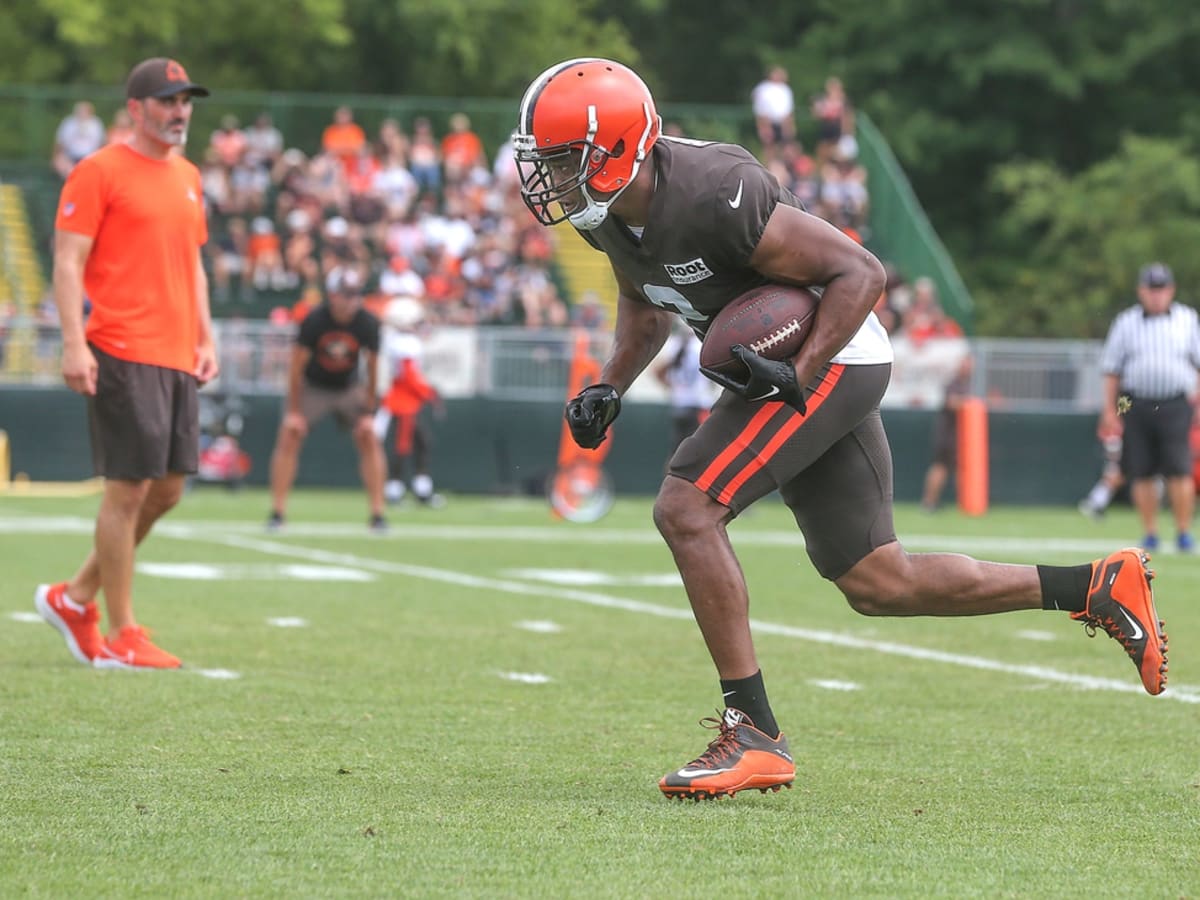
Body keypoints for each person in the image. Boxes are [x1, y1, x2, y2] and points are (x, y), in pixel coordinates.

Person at [512, 58, 1170, 801]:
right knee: (877, 581)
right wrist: (609, 383)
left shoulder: (714, 192)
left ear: (623, 149)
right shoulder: (609, 215)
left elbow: (861, 273)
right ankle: (1094, 587)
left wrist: (802, 368)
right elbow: (644, 302)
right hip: (798, 366)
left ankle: (753, 733)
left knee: (686, 507)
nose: (553, 178)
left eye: (568, 160)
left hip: (834, 350)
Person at [37, 57, 215, 670]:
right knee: (128, 489)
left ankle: (75, 597)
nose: (180, 112)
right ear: (136, 108)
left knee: (165, 492)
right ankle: (123, 633)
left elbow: (192, 265)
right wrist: (72, 342)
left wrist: (206, 337)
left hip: (175, 352)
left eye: (186, 101)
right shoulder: (98, 170)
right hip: (119, 344)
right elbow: (66, 262)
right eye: (168, 101)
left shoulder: (189, 176)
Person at [267, 266, 387, 533]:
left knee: (369, 436)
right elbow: (296, 367)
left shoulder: (367, 322)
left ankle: (378, 514)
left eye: (355, 295)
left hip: (349, 387)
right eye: (346, 295)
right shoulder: (315, 320)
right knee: (290, 433)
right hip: (314, 386)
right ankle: (277, 511)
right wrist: (294, 410)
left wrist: (369, 411)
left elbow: (373, 368)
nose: (351, 301)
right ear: (332, 295)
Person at [1097, 262, 1200, 552]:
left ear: (1171, 291)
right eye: (1151, 289)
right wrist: (1109, 410)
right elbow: (1112, 369)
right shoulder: (1126, 321)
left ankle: (1183, 532)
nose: (1156, 295)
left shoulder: (1187, 319)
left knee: (1179, 469)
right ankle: (1151, 532)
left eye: (1161, 289)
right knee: (1141, 471)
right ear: (1141, 291)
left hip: (1176, 402)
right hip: (1135, 402)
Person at [373, 297, 445, 507]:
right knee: (404, 446)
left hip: (403, 400)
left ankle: (413, 488)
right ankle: (397, 490)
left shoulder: (397, 340)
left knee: (417, 444)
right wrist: (429, 393)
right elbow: (409, 376)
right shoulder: (404, 343)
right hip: (403, 402)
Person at [920, 352, 973, 512]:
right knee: (940, 467)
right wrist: (970, 404)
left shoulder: (965, 384)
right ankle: (929, 502)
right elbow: (951, 402)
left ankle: (964, 502)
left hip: (956, 437)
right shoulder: (954, 384)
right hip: (947, 436)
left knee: (954, 469)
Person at [654, 322, 717, 456]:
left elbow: (658, 371)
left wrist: (674, 387)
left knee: (676, 453)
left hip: (680, 405)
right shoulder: (702, 345)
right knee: (700, 453)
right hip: (699, 405)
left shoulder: (675, 344)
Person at [750, 66, 795, 165]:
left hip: (783, 123)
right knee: (769, 148)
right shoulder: (763, 89)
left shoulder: (786, 89)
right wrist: (763, 127)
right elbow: (760, 110)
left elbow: (789, 110)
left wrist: (790, 126)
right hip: (768, 122)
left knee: (786, 148)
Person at [52, 101, 106, 178]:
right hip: (70, 156)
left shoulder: (96, 124)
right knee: (61, 161)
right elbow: (60, 143)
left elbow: (101, 143)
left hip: (90, 157)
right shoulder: (68, 123)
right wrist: (56, 156)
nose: (81, 113)